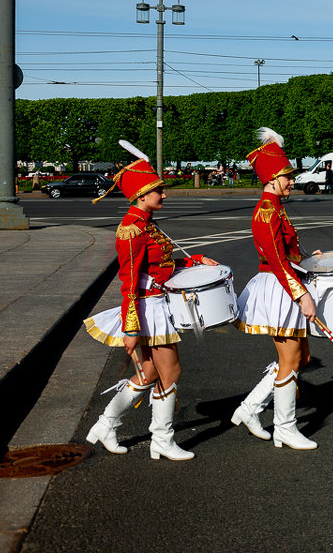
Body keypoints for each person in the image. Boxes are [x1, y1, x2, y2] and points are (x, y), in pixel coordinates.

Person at [83, 140, 219, 460]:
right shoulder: (132, 229)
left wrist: (195, 260)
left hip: (155, 303)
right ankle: (161, 440)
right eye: (159, 190)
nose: (165, 195)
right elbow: (129, 283)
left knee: (149, 372)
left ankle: (105, 425)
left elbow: (161, 265)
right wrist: (131, 327)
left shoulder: (145, 222)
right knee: (170, 372)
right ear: (142, 195)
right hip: (146, 308)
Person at [231, 128, 321, 449]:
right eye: (287, 176)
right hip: (279, 288)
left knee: (301, 357)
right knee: (291, 359)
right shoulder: (266, 212)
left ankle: (250, 409)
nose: (292, 181)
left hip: (287, 283)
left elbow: (288, 254)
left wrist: (309, 259)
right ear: (272, 179)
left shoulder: (277, 208)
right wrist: (303, 294)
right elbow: (277, 262)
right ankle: (284, 428)